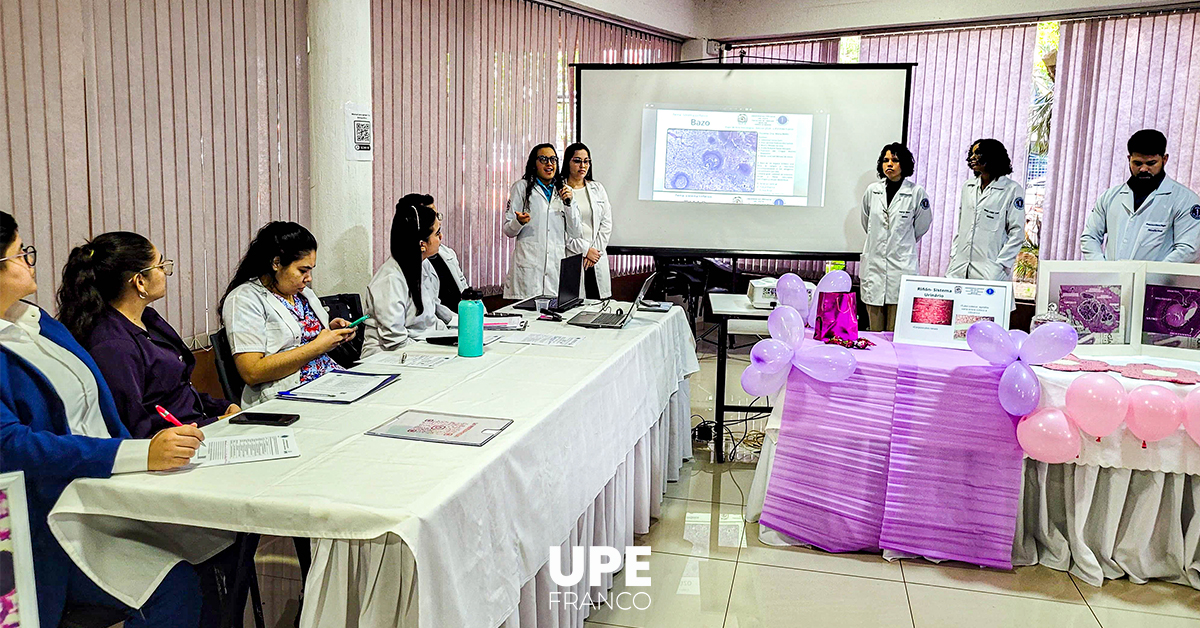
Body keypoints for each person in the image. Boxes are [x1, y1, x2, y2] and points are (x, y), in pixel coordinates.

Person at [0, 211, 205, 628]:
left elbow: (98, 408)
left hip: (103, 483)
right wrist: (136, 453)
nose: (29, 260)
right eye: (20, 253)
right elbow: (13, 446)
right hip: (50, 512)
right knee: (176, 588)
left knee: (212, 544)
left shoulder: (35, 321)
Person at [56, 232, 240, 439]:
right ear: (140, 282)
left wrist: (222, 408)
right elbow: (136, 428)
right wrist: (214, 423)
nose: (165, 272)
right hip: (172, 446)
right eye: (160, 266)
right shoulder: (113, 345)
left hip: (199, 428)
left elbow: (177, 390)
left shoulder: (149, 319)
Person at [219, 222, 356, 407]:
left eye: (310, 270)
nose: (308, 278)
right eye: (302, 270)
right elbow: (252, 372)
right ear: (276, 263)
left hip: (329, 381)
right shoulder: (244, 299)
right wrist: (318, 346)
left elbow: (305, 337)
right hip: (288, 394)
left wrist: (332, 332)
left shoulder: (302, 294)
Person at [1080, 129, 1200, 262]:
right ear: (1129, 159)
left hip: (1157, 281)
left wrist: (1149, 276)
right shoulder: (1110, 197)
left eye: (1151, 163)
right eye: (1137, 163)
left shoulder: (1185, 200)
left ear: (1164, 159)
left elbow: (1187, 249)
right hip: (1112, 280)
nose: (1143, 169)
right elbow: (1090, 236)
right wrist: (1103, 269)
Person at [361, 194, 457, 357]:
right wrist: (435, 352)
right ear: (422, 244)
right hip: (388, 357)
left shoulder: (423, 266)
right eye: (436, 233)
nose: (441, 238)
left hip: (419, 347)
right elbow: (394, 340)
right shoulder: (390, 279)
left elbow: (430, 320)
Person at [860, 143, 932, 331]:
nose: (889, 164)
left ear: (904, 164)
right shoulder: (872, 191)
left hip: (901, 267)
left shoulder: (916, 193)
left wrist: (901, 242)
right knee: (874, 331)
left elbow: (922, 226)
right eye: (885, 160)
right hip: (875, 267)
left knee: (895, 332)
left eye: (895, 160)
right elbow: (867, 222)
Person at [502, 143, 583, 300]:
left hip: (554, 273)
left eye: (553, 159)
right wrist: (518, 222)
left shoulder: (565, 191)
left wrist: (569, 205)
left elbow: (575, 233)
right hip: (528, 274)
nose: (549, 164)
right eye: (543, 159)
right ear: (534, 163)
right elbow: (508, 230)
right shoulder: (521, 188)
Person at [947, 138, 1025, 281]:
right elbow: (962, 227)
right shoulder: (968, 187)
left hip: (990, 269)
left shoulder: (1011, 189)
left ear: (992, 156)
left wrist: (1001, 264)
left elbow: (1017, 233)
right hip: (960, 266)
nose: (972, 158)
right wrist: (954, 254)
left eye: (977, 153)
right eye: (971, 153)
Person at [559, 142, 614, 299]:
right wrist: (585, 250)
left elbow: (606, 223)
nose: (582, 165)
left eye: (586, 161)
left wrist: (594, 252)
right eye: (577, 161)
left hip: (596, 257)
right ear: (567, 162)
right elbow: (561, 230)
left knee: (600, 304)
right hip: (573, 255)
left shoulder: (597, 188)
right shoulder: (560, 191)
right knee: (575, 306)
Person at [428, 242, 470, 310]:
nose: (440, 236)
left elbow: (462, 282)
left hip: (461, 310)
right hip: (441, 316)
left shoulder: (447, 252)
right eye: (436, 234)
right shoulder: (422, 263)